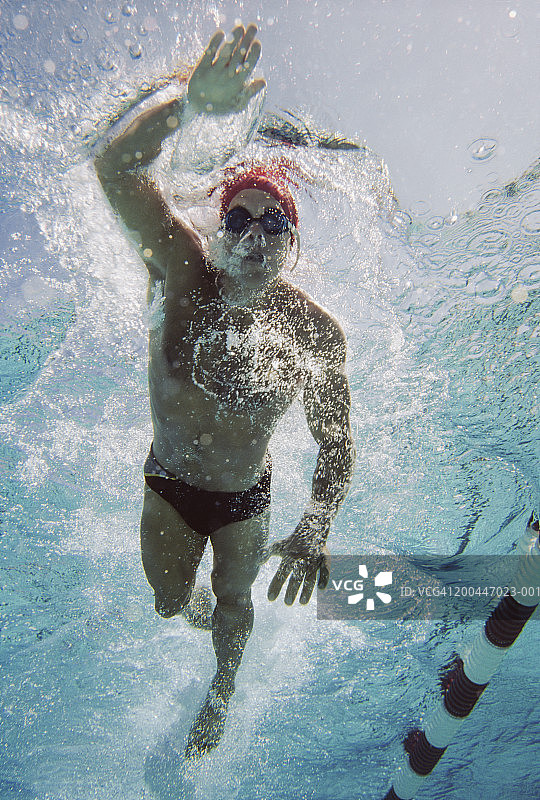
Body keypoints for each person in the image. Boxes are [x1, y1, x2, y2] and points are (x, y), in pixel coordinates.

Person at [94, 22, 355, 759]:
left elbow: (336, 443)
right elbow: (117, 170)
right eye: (236, 218)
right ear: (216, 229)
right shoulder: (180, 276)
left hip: (247, 499)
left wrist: (315, 528)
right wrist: (193, 106)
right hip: (170, 484)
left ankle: (223, 692)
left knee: (240, 602)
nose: (253, 235)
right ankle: (196, 605)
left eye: (273, 222)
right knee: (172, 601)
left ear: (290, 242)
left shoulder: (315, 333)